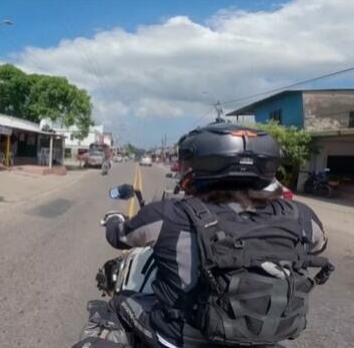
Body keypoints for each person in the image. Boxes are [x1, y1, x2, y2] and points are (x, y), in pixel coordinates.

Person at [102, 123, 329, 348]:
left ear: (198, 163)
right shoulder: (300, 215)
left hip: (180, 336)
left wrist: (114, 218)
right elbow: (319, 246)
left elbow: (119, 237)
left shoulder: (170, 212)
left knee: (117, 305)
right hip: (262, 338)